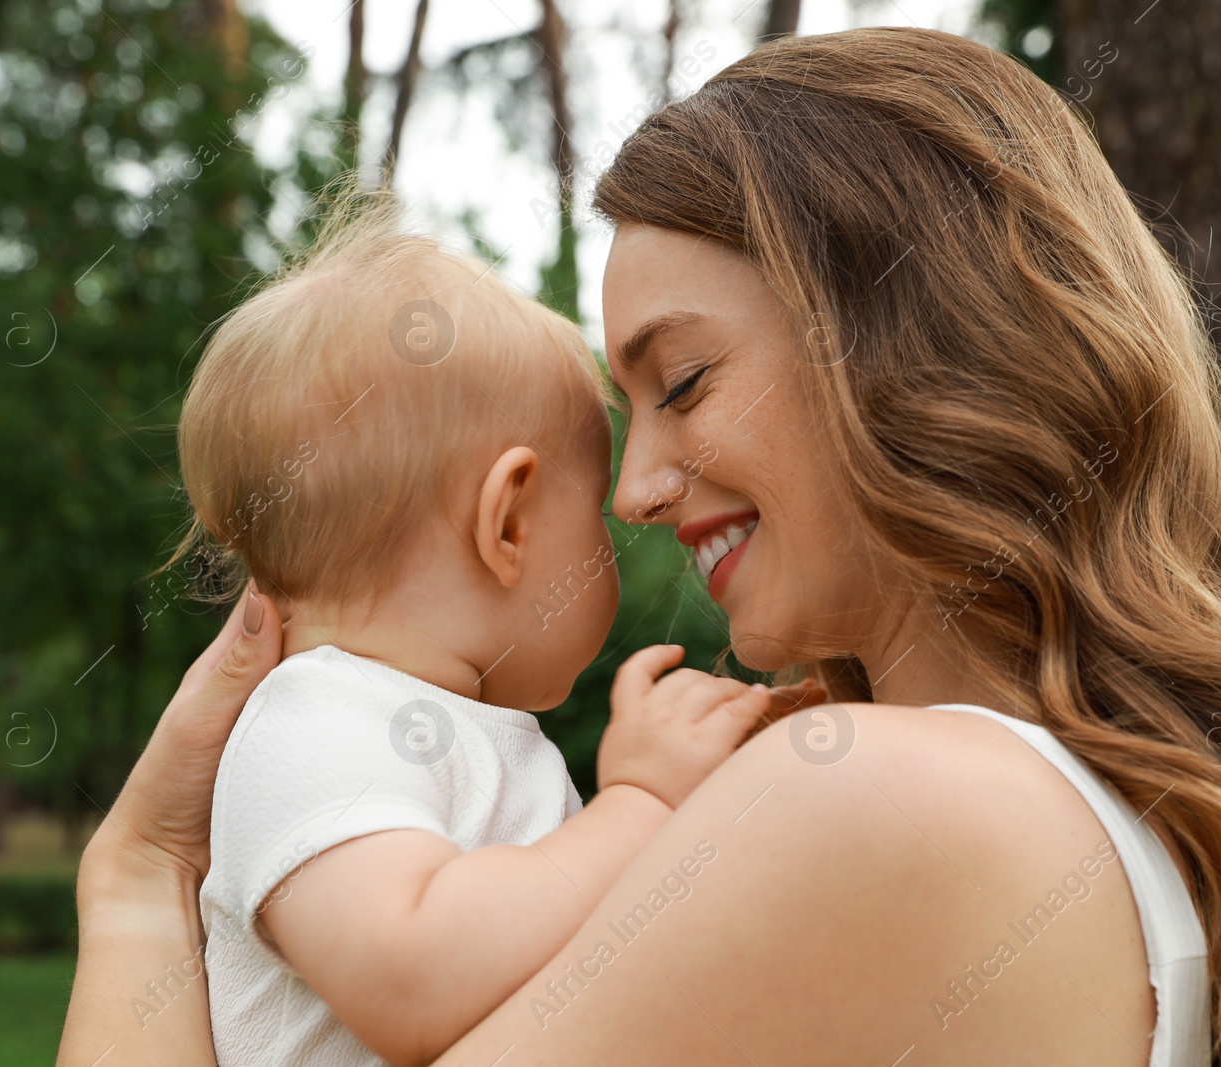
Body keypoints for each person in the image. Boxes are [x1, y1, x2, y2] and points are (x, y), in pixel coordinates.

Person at [58, 26, 1221, 1067]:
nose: (639, 487)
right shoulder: (1068, 811)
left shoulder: (877, 799)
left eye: (686, 382)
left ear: (910, 350)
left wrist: (132, 889)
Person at [172, 207, 793, 1066]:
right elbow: (412, 981)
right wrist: (642, 806)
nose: (624, 516)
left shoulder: (435, 731)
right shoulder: (310, 725)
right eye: (591, 516)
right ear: (506, 525)